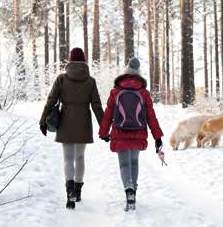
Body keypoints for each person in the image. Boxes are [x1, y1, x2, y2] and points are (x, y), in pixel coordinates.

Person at [39, 47, 104, 209]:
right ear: (84, 62)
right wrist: (104, 127)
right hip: (83, 122)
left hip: (66, 121)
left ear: (69, 61)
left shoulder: (61, 79)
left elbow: (51, 100)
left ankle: (70, 193)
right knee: (79, 157)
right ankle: (78, 190)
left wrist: (43, 121)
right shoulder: (90, 81)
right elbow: (97, 105)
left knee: (68, 158)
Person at [99, 58, 164, 211]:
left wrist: (103, 132)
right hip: (138, 132)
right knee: (134, 162)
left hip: (119, 132)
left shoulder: (116, 91)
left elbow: (108, 114)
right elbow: (150, 116)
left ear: (126, 70)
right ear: (138, 73)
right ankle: (133, 191)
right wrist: (157, 136)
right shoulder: (143, 92)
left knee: (124, 164)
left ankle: (128, 190)